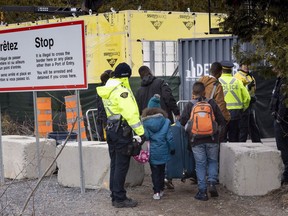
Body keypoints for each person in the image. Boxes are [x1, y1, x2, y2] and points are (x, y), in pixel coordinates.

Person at [96, 62, 146, 208]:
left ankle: (115, 195)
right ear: (126, 76)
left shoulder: (108, 88)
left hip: (111, 130)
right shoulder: (121, 91)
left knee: (115, 164)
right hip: (121, 132)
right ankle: (119, 198)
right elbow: (130, 113)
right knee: (121, 166)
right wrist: (141, 132)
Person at [179, 81, 226, 201]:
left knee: (200, 164)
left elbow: (182, 121)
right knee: (213, 161)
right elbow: (222, 120)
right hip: (212, 138)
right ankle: (212, 183)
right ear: (205, 92)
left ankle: (202, 191)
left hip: (196, 140)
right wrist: (218, 133)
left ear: (193, 93)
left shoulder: (190, 105)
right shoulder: (212, 103)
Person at [135, 65, 180, 189]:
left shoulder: (139, 91)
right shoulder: (160, 83)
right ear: (150, 72)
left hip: (147, 126)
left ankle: (157, 181)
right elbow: (169, 98)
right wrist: (176, 112)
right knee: (167, 147)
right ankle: (167, 176)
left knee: (153, 150)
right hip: (164, 122)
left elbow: (138, 109)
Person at [141, 94, 175, 200]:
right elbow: (169, 138)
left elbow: (146, 137)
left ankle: (156, 192)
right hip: (164, 150)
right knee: (161, 171)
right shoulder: (166, 121)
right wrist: (172, 148)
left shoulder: (145, 122)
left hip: (153, 151)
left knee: (154, 172)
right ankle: (161, 189)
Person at [219, 61, 251, 142]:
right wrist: (243, 107)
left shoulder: (218, 82)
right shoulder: (237, 81)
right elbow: (247, 97)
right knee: (234, 139)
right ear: (231, 70)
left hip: (222, 113)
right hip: (236, 113)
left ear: (221, 70)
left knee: (222, 139)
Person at [199, 62, 231, 142]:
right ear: (220, 73)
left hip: (199, 118)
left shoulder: (200, 82)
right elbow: (221, 105)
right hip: (211, 120)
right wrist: (227, 118)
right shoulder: (217, 85)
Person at [234, 62, 261, 142]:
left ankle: (257, 141)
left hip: (249, 102)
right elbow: (238, 90)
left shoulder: (250, 75)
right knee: (244, 126)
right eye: (244, 65)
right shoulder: (238, 76)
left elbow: (253, 89)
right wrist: (247, 87)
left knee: (252, 124)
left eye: (248, 65)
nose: (246, 66)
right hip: (243, 104)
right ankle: (242, 143)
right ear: (240, 66)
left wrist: (253, 97)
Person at [270, 75, 288, 185]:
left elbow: (284, 101)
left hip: (283, 121)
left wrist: (279, 119)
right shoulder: (280, 79)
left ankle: (286, 176)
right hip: (281, 119)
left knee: (284, 149)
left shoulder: (284, 81)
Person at [95, 70, 113, 141]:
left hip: (102, 114)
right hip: (106, 114)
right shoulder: (107, 89)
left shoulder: (99, 89)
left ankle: (102, 138)